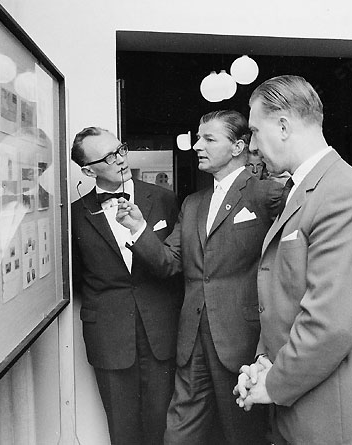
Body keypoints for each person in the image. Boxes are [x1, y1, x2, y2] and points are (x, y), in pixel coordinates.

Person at [234, 75, 352, 445]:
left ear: (283, 126)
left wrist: (273, 383)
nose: (253, 146)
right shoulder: (304, 189)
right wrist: (264, 364)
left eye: (255, 132)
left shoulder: (343, 194)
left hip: (339, 418)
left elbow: (330, 322)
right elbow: (284, 299)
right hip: (309, 407)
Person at [132, 110, 284, 444]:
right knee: (178, 434)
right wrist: (138, 229)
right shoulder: (193, 203)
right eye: (198, 138)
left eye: (208, 139)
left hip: (242, 340)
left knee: (243, 434)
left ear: (238, 147)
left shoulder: (267, 195)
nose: (197, 145)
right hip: (192, 340)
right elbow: (169, 262)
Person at [71, 127, 181, 444]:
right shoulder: (76, 215)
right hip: (110, 336)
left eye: (121, 150)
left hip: (160, 331)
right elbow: (78, 278)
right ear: (88, 171)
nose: (121, 159)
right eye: (109, 157)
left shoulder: (164, 199)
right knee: (122, 430)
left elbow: (176, 265)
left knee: (164, 428)